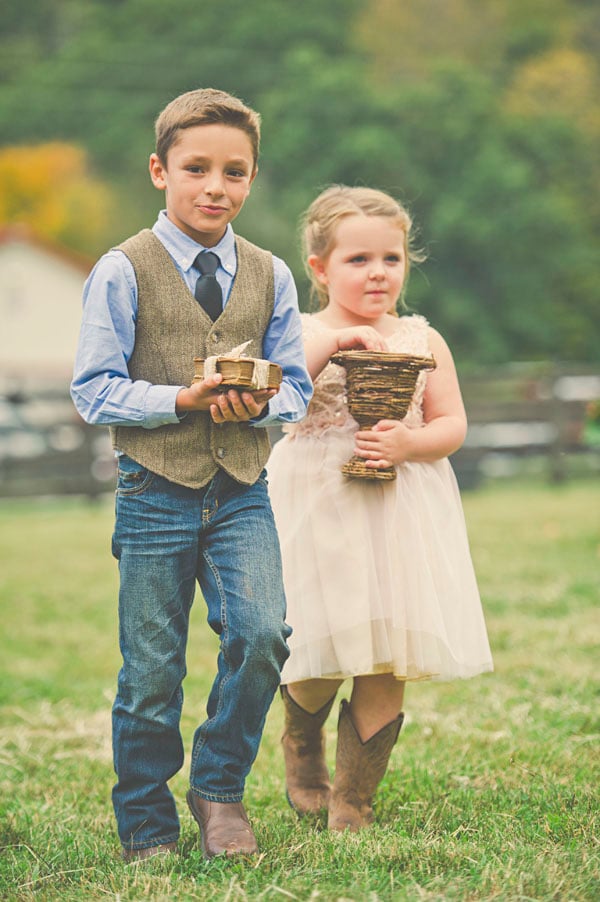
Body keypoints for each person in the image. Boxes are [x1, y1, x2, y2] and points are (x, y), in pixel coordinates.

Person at [70, 88, 312, 862]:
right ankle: (145, 823)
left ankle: (219, 789)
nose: (216, 186)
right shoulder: (122, 269)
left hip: (243, 488)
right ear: (158, 170)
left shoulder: (271, 275)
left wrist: (257, 406)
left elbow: (299, 387)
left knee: (263, 634)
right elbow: (93, 387)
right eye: (197, 168)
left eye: (235, 172)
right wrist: (182, 397)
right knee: (150, 672)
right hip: (154, 492)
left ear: (252, 178)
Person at [266, 185, 493, 832]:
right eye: (358, 260)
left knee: (389, 651)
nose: (377, 273)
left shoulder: (422, 338)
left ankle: (354, 798)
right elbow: (282, 394)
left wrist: (410, 442)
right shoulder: (304, 331)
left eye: (390, 259)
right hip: (319, 507)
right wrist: (339, 344)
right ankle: (301, 742)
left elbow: (451, 423)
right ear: (319, 268)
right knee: (319, 648)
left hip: (400, 509)